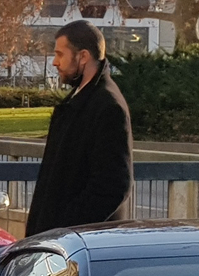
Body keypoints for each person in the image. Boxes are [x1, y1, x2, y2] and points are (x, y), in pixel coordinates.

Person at [26, 20, 132, 235]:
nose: (55, 62)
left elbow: (112, 186)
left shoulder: (107, 107)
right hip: (60, 240)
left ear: (83, 57)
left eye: (60, 54)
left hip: (81, 244)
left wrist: (63, 228)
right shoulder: (78, 101)